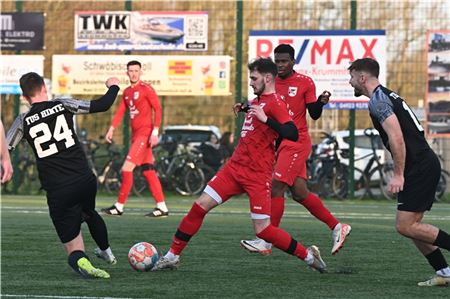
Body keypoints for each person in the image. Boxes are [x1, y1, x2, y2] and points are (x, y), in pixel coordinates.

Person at [151, 57, 327, 273]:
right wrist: (246, 108)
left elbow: (291, 133)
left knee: (264, 231)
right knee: (199, 207)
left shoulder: (277, 103)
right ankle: (172, 256)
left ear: (268, 78)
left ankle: (310, 256)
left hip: (257, 175)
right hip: (233, 170)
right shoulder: (257, 101)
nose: (251, 82)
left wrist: (266, 120)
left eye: (254, 78)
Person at [6, 72, 120, 279]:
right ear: (44, 89)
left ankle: (82, 261)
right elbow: (102, 105)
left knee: (71, 243)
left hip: (59, 188)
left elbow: (5, 147)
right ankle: (107, 252)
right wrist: (113, 86)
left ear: (24, 97)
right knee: (88, 212)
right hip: (85, 179)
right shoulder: (63, 104)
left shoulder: (23, 120)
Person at [240, 44, 351, 256]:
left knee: (275, 187)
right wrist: (244, 107)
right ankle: (338, 227)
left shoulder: (304, 82)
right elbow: (263, 107)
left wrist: (320, 102)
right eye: (277, 61)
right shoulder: (269, 81)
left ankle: (267, 240)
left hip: (296, 142)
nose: (280, 65)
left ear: (293, 62)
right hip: (278, 143)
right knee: (300, 194)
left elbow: (314, 113)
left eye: (284, 61)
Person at [348, 57, 450, 287]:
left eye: (352, 77)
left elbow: (396, 138)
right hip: (421, 164)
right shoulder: (385, 96)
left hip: (420, 167)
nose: (350, 82)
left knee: (405, 226)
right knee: (411, 226)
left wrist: (398, 174)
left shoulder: (378, 101)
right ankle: (444, 272)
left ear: (362, 78)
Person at [101, 60, 168, 218]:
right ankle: (162, 207)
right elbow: (120, 111)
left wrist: (155, 132)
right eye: (131, 71)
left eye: (136, 71)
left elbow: (157, 109)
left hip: (145, 134)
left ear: (140, 72)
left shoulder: (146, 89)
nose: (133, 73)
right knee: (148, 171)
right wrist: (111, 128)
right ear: (127, 73)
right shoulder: (126, 92)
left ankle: (119, 206)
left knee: (126, 168)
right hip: (136, 136)